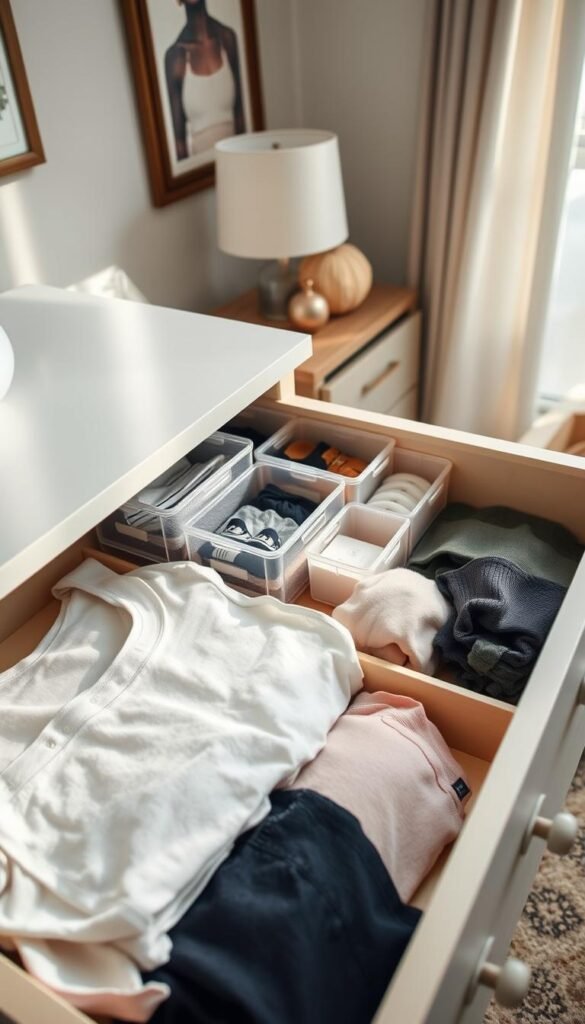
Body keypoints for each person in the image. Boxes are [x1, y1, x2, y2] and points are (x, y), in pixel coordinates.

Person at [165, 0, 245, 162]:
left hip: (238, 164)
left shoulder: (227, 38)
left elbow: (240, 116)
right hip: (201, 171)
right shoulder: (175, 56)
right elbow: (180, 144)